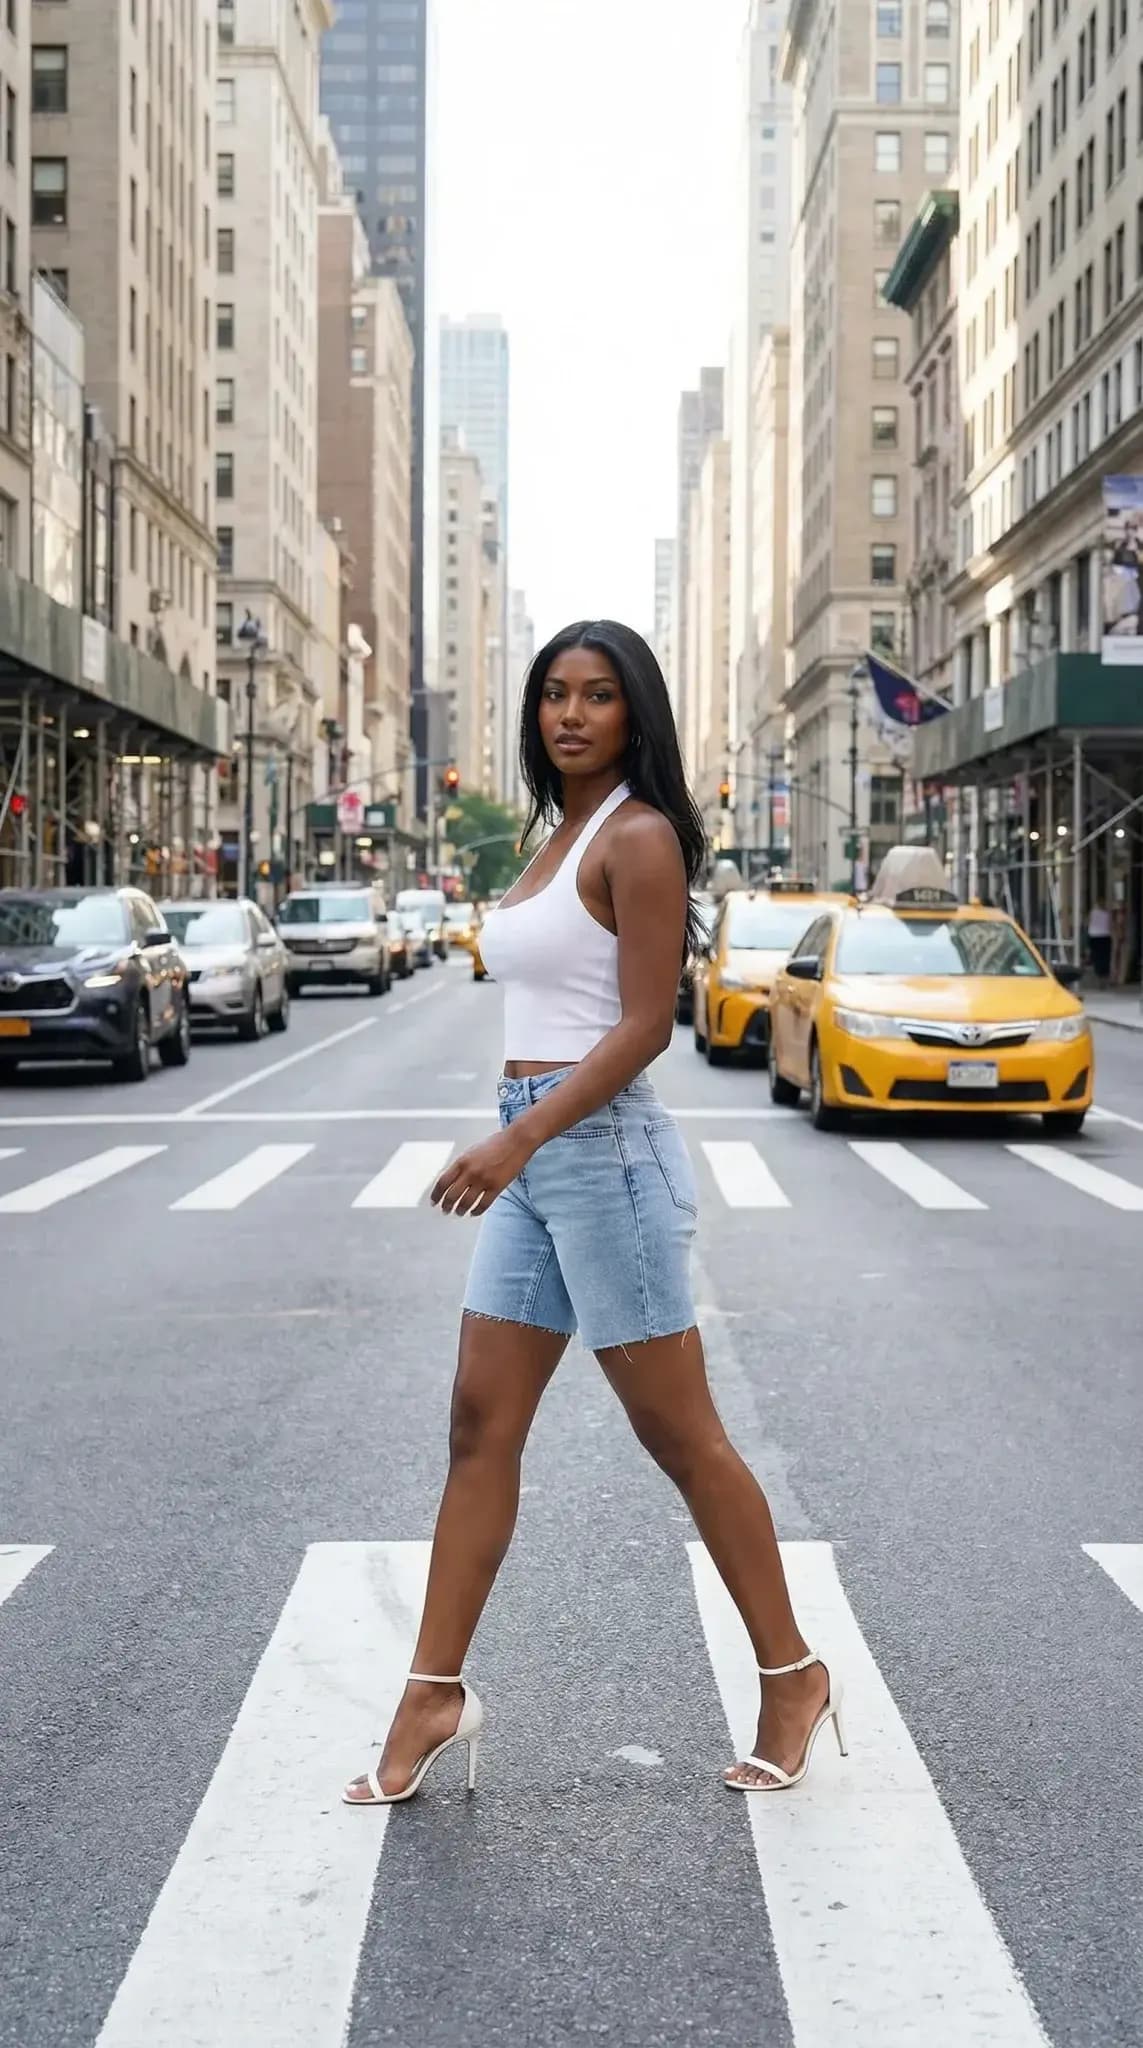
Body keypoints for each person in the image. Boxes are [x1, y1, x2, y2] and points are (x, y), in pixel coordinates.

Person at [342, 620, 845, 1807]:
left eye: (598, 695)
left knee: (681, 1434)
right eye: (555, 694)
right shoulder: (553, 834)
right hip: (542, 1152)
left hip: (596, 1154)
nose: (570, 713)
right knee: (478, 1423)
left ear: (635, 713)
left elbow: (640, 1029)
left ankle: (794, 1671)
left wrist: (520, 1135)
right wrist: (521, 1136)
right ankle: (434, 1686)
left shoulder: (640, 836)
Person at [1087, 897, 1112, 985]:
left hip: (1094, 936)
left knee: (1097, 956)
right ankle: (1104, 975)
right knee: (1105, 956)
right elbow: (1110, 924)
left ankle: (1099, 975)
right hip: (1105, 936)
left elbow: (1089, 922)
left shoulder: (1093, 913)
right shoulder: (1107, 913)